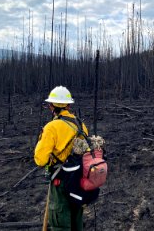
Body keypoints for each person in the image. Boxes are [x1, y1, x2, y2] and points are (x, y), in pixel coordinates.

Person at [34, 86, 88, 231]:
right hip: (79, 180)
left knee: (59, 222)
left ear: (51, 106)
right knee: (76, 220)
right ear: (68, 105)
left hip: (61, 181)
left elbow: (40, 159)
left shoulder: (52, 127)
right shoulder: (80, 125)